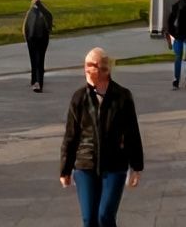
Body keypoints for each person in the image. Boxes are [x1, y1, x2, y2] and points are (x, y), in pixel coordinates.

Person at [59, 47, 143, 227]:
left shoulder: (122, 97)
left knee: (105, 216)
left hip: (114, 165)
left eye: (91, 65)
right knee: (89, 218)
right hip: (85, 164)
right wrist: (65, 169)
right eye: (85, 65)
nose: (86, 69)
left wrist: (136, 167)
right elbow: (71, 135)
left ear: (104, 69)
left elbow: (132, 132)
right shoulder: (79, 98)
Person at [25, 0, 54, 93]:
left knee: (37, 61)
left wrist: (39, 4)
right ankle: (35, 80)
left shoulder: (37, 12)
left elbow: (26, 28)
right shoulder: (32, 13)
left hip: (37, 40)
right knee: (37, 61)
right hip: (36, 40)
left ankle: (37, 82)